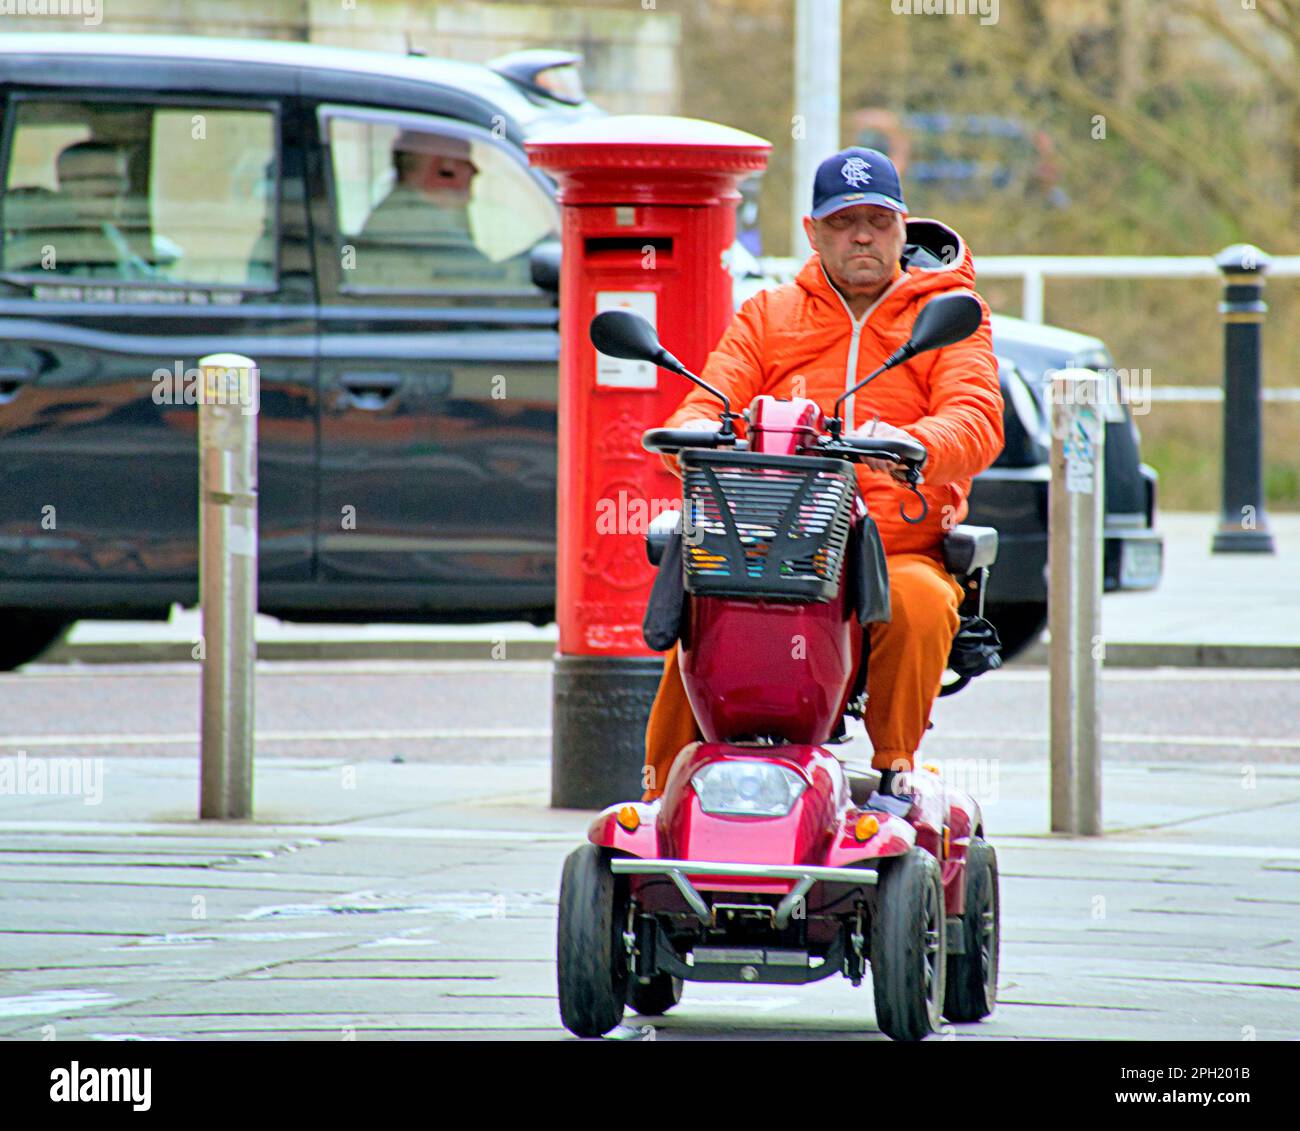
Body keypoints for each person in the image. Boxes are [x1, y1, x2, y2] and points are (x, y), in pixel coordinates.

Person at [642, 146, 1004, 812]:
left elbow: (976, 421)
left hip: (892, 548)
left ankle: (895, 770)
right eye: (841, 222)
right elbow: (704, 400)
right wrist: (694, 438)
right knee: (702, 612)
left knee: (918, 600)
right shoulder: (770, 315)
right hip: (772, 555)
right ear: (812, 232)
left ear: (902, 225)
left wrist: (910, 444)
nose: (860, 235)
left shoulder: (950, 315)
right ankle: (665, 794)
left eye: (876, 219)